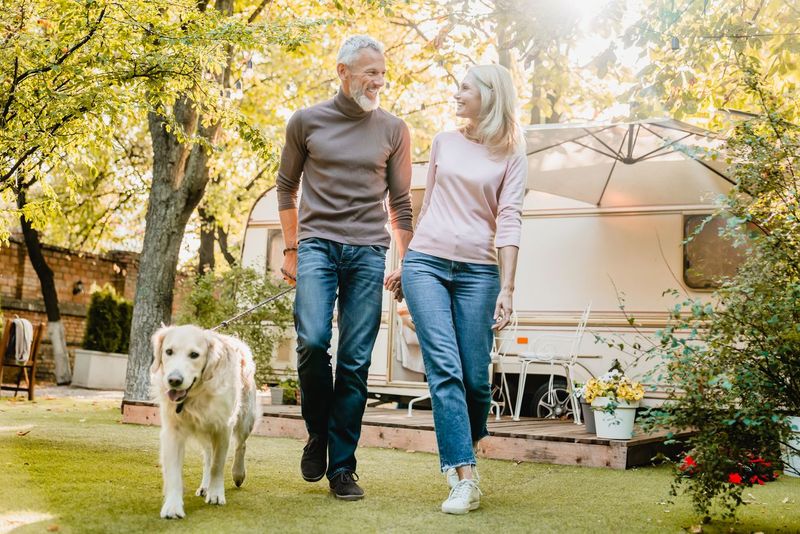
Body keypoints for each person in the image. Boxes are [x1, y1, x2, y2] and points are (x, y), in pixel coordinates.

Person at [276, 35, 413, 500]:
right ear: (343, 71)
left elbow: (400, 203)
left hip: (368, 253)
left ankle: (343, 467)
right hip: (316, 247)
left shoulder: (394, 129)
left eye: (382, 74)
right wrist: (292, 250)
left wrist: (406, 261)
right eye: (370, 72)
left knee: (355, 363)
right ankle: (318, 433)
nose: (378, 81)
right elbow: (285, 187)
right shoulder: (306, 121)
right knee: (313, 342)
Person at [392, 64, 526, 514]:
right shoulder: (444, 141)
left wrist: (507, 287)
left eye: (466, 87)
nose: (457, 92)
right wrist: (405, 262)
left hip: (479, 272)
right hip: (426, 263)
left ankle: (465, 438)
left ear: (490, 95)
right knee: (444, 369)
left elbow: (509, 219)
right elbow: (427, 205)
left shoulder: (512, 152)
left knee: (475, 380)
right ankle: (463, 476)